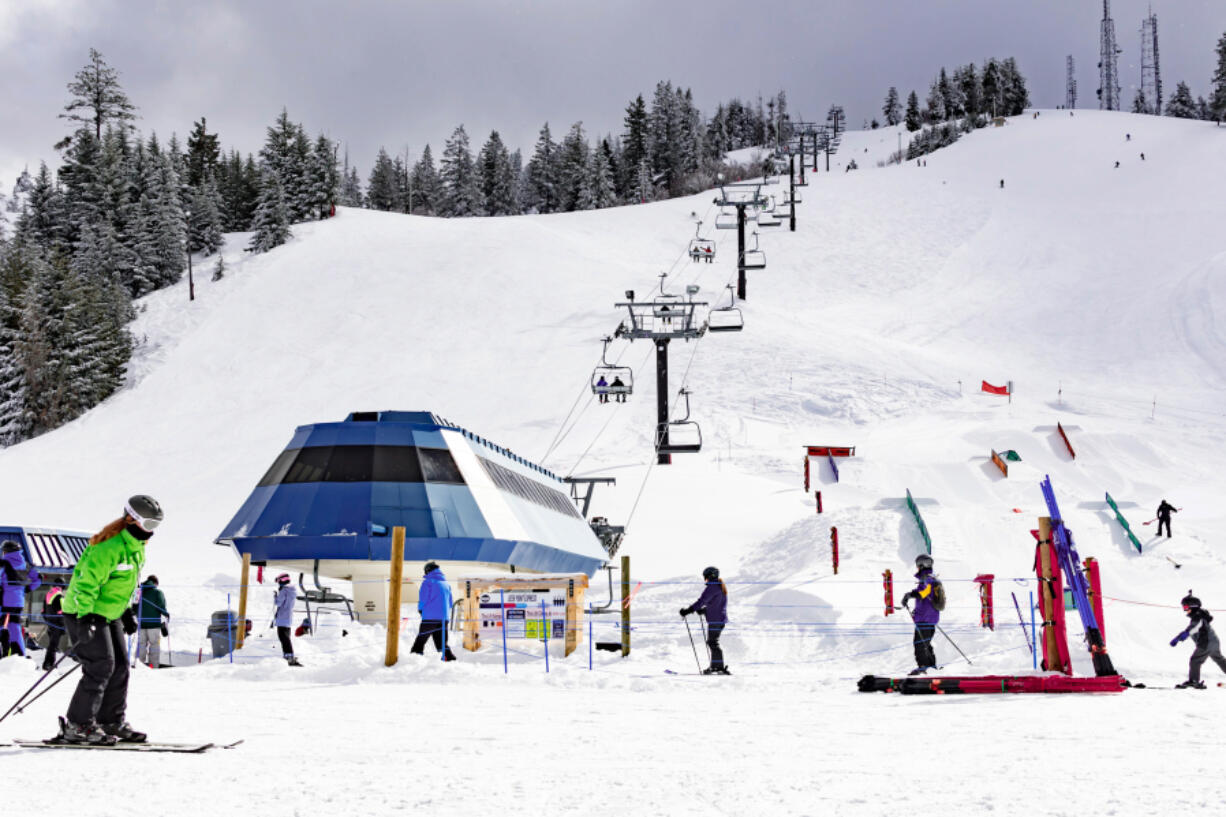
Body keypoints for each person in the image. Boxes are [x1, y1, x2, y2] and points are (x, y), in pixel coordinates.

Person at [58, 495, 163, 745]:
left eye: (156, 526)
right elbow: (86, 583)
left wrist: (125, 611)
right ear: (131, 519)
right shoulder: (109, 547)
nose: (151, 532)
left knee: (120, 667)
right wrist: (84, 618)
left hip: (109, 613)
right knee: (100, 666)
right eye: (149, 525)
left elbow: (122, 584)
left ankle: (110, 721)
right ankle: (78, 725)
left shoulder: (135, 547)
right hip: (84, 612)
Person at [1170, 591, 1226, 689]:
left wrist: (1180, 637)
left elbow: (1193, 628)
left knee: (1195, 660)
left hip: (1206, 643)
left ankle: (1194, 680)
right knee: (1219, 660)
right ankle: (1194, 680)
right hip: (1214, 642)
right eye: (1184, 607)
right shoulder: (1201, 616)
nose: (1185, 610)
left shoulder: (1198, 616)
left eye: (1186, 607)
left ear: (1193, 606)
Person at [680, 566, 729, 675]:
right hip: (719, 620)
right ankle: (716, 667)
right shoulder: (720, 587)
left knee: (712, 642)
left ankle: (717, 667)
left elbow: (701, 601)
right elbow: (717, 604)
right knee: (713, 642)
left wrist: (688, 610)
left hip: (715, 621)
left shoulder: (712, 587)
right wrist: (705, 611)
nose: (705, 580)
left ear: (711, 576)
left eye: (706, 578)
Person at [901, 554, 943, 675]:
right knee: (926, 643)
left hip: (925, 618)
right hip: (929, 617)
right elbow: (923, 592)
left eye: (918, 565)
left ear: (922, 565)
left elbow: (923, 593)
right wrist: (910, 594)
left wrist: (910, 595)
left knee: (919, 644)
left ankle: (923, 667)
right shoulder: (931, 578)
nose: (917, 568)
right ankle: (931, 667)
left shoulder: (927, 578)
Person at [2, 540, 41, 658]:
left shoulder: (3, 563)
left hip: (4, 601)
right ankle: (19, 654)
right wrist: (27, 588)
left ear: (6, 551)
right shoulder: (25, 564)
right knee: (14, 626)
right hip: (18, 602)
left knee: (3, 627)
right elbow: (38, 578)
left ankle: (6, 654)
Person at [410, 561, 456, 660]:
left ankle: (414, 659)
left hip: (430, 617)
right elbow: (450, 602)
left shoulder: (427, 582)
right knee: (441, 642)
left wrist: (420, 609)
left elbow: (423, 599)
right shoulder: (446, 584)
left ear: (428, 570)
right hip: (444, 618)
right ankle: (449, 659)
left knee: (421, 639)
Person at [133, 575, 169, 668]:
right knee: (154, 646)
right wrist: (166, 614)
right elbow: (161, 607)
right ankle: (153, 667)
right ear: (155, 583)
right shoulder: (158, 593)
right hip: (154, 624)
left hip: (141, 624)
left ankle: (139, 666)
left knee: (141, 646)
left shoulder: (138, 591)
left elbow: (133, 607)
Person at [273, 573, 302, 666]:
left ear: (282, 580)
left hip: (282, 617)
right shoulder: (292, 590)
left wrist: (275, 596)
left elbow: (278, 603)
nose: (278, 584)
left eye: (278, 581)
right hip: (288, 617)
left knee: (283, 638)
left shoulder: (284, 590)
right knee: (286, 637)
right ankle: (289, 655)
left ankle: (289, 656)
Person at [42, 586, 66, 671]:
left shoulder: (48, 594)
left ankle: (50, 663)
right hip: (57, 624)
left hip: (50, 623)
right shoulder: (59, 596)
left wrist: (48, 621)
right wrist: (63, 626)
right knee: (53, 644)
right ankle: (48, 664)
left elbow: (42, 611)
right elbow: (62, 612)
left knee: (53, 644)